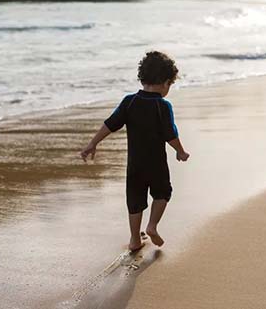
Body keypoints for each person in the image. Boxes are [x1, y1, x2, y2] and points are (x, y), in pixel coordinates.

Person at [80, 51, 190, 252]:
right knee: (163, 192)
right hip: (156, 164)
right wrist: (180, 151)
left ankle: (134, 239)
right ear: (166, 82)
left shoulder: (129, 102)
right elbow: (170, 133)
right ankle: (152, 226)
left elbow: (111, 124)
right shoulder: (162, 106)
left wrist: (92, 143)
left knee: (135, 200)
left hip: (135, 165)